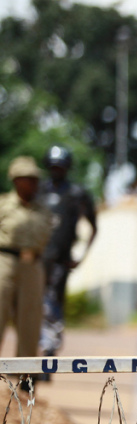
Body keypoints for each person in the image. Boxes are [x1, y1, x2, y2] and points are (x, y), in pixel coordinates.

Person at [38, 145, 97, 359]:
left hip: (61, 261)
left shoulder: (76, 194)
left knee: (52, 305)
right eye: (53, 166)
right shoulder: (39, 191)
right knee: (32, 305)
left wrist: (81, 257)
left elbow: (93, 228)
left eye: (60, 167)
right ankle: (34, 349)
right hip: (35, 260)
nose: (56, 171)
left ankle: (49, 349)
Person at [0, 157, 52, 375]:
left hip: (33, 266)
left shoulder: (43, 210)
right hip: (5, 262)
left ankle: (24, 380)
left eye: (35, 179)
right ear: (16, 181)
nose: (33, 183)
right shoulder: (3, 205)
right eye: (28, 179)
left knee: (30, 321)